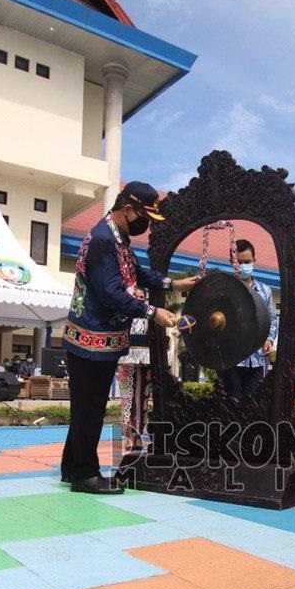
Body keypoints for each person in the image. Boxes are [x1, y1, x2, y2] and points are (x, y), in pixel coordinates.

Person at [60, 181, 197, 494]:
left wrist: (174, 285)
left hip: (98, 339)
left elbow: (138, 273)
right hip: (89, 341)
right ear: (128, 209)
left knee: (84, 408)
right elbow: (110, 293)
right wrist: (153, 313)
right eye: (145, 218)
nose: (146, 226)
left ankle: (71, 467)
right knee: (90, 409)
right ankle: (84, 475)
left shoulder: (117, 237)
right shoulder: (103, 240)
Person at [217, 239, 278, 401]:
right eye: (239, 262)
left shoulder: (265, 291)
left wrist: (269, 339)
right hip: (231, 360)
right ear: (231, 262)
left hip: (257, 359)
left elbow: (271, 319)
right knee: (232, 405)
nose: (243, 266)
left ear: (254, 262)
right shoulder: (224, 288)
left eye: (247, 262)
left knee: (253, 407)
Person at [117, 317, 151, 453]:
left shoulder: (149, 318)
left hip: (145, 362)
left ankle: (139, 435)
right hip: (126, 362)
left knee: (142, 401)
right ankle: (130, 435)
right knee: (127, 401)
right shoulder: (124, 317)